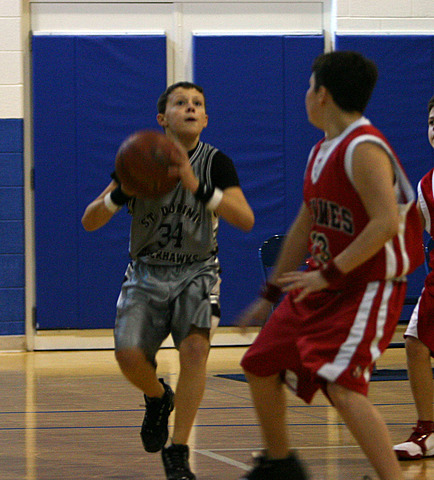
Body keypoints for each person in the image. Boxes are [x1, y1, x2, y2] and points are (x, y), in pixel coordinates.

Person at [237, 51, 424, 480]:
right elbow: (303, 227)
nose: (306, 95)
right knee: (259, 364)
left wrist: (327, 274)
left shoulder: (363, 147)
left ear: (322, 94)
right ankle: (281, 464)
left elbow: (383, 224)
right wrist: (270, 294)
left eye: (308, 86)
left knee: (342, 386)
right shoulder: (322, 149)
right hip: (322, 283)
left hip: (366, 286)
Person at [81, 81, 254, 480]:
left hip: (198, 271)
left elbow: (245, 220)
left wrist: (198, 188)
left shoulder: (216, 162)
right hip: (146, 271)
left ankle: (178, 450)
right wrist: (119, 194)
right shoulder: (138, 158)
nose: (190, 108)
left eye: (198, 104)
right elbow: (90, 221)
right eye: (180, 103)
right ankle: (158, 398)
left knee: (195, 351)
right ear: (163, 118)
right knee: (128, 358)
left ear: (206, 119)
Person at [393, 94, 434, 460]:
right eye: (433, 121)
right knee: (415, 342)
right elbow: (407, 236)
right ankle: (428, 430)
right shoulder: (425, 185)